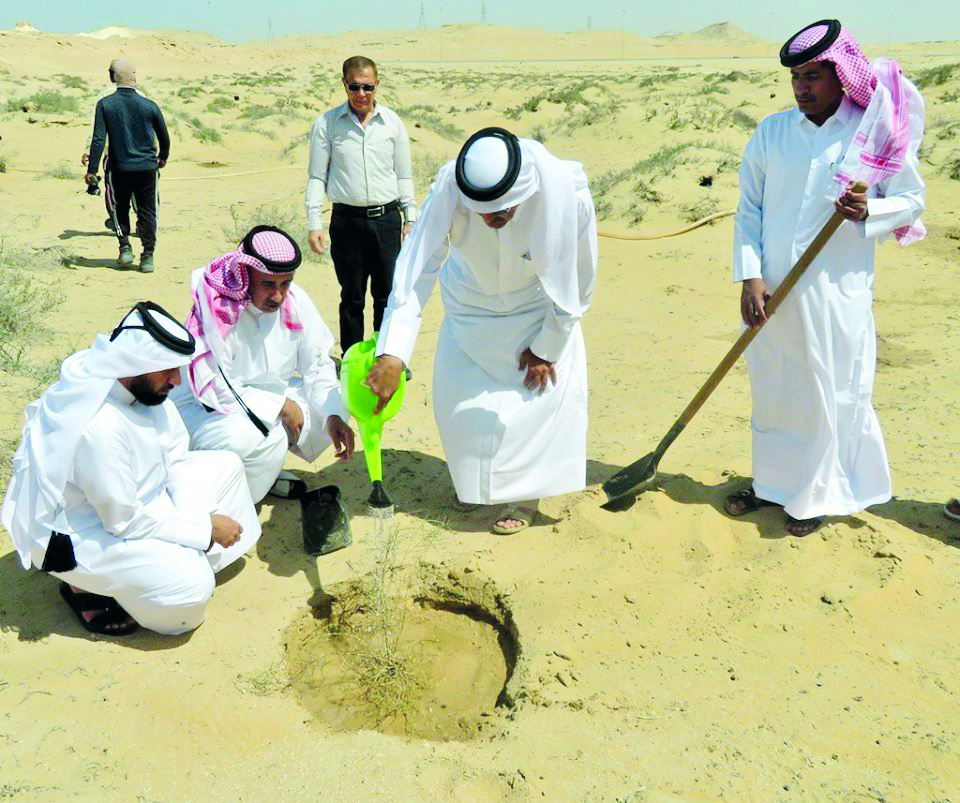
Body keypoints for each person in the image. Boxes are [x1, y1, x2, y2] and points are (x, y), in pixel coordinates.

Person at [726, 20, 926, 536]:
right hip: (771, 294)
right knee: (776, 390)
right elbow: (748, 209)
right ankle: (772, 485)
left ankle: (816, 494)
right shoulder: (771, 132)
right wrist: (749, 276)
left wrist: (868, 211)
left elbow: (912, 201)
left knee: (826, 393)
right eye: (796, 77)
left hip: (835, 295)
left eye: (813, 76)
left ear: (843, 75)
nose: (801, 89)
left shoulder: (872, 134)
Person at [365, 127, 598, 535]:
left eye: (501, 211)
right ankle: (475, 486)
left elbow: (578, 282)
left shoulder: (567, 191)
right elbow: (416, 268)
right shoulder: (451, 185)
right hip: (470, 307)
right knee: (461, 406)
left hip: (536, 308)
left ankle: (524, 496)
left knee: (535, 405)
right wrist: (393, 353)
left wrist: (548, 345)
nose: (489, 218)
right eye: (482, 210)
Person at [0, 302, 261, 636]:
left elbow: (177, 460)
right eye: (168, 369)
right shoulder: (99, 425)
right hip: (88, 531)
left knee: (227, 466)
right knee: (190, 594)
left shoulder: (143, 390)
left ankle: (162, 569)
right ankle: (85, 586)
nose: (177, 381)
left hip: (139, 504)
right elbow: (122, 520)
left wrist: (197, 523)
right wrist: (202, 530)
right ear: (136, 364)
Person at [173, 225, 355, 504]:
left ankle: (263, 477)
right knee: (257, 437)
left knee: (335, 401)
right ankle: (228, 504)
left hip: (264, 399)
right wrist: (280, 406)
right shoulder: (220, 308)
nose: (278, 296)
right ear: (246, 276)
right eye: (268, 284)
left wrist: (333, 415)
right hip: (206, 408)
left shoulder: (295, 302)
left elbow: (318, 366)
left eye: (285, 284)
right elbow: (219, 387)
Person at [305, 55, 416, 353]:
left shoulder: (392, 123)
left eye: (368, 87)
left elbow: (404, 175)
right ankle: (352, 360)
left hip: (387, 221)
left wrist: (411, 220)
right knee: (352, 298)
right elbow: (317, 177)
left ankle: (385, 358)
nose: (361, 95)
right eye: (354, 87)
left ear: (377, 85)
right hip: (347, 223)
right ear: (344, 85)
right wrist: (314, 222)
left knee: (386, 295)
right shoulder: (327, 125)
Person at [84, 58, 169, 274]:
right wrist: (162, 158)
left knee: (118, 209)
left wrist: (92, 170)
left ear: (113, 76)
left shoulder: (105, 104)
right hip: (147, 168)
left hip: (118, 167)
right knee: (148, 212)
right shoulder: (150, 105)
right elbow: (164, 137)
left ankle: (125, 248)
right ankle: (148, 256)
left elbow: (98, 139)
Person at [81, 59, 147, 233]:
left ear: (113, 76)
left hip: (115, 155)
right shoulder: (142, 96)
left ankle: (119, 225)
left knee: (114, 191)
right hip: (140, 154)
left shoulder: (104, 98)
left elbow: (97, 133)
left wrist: (90, 154)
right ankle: (142, 224)